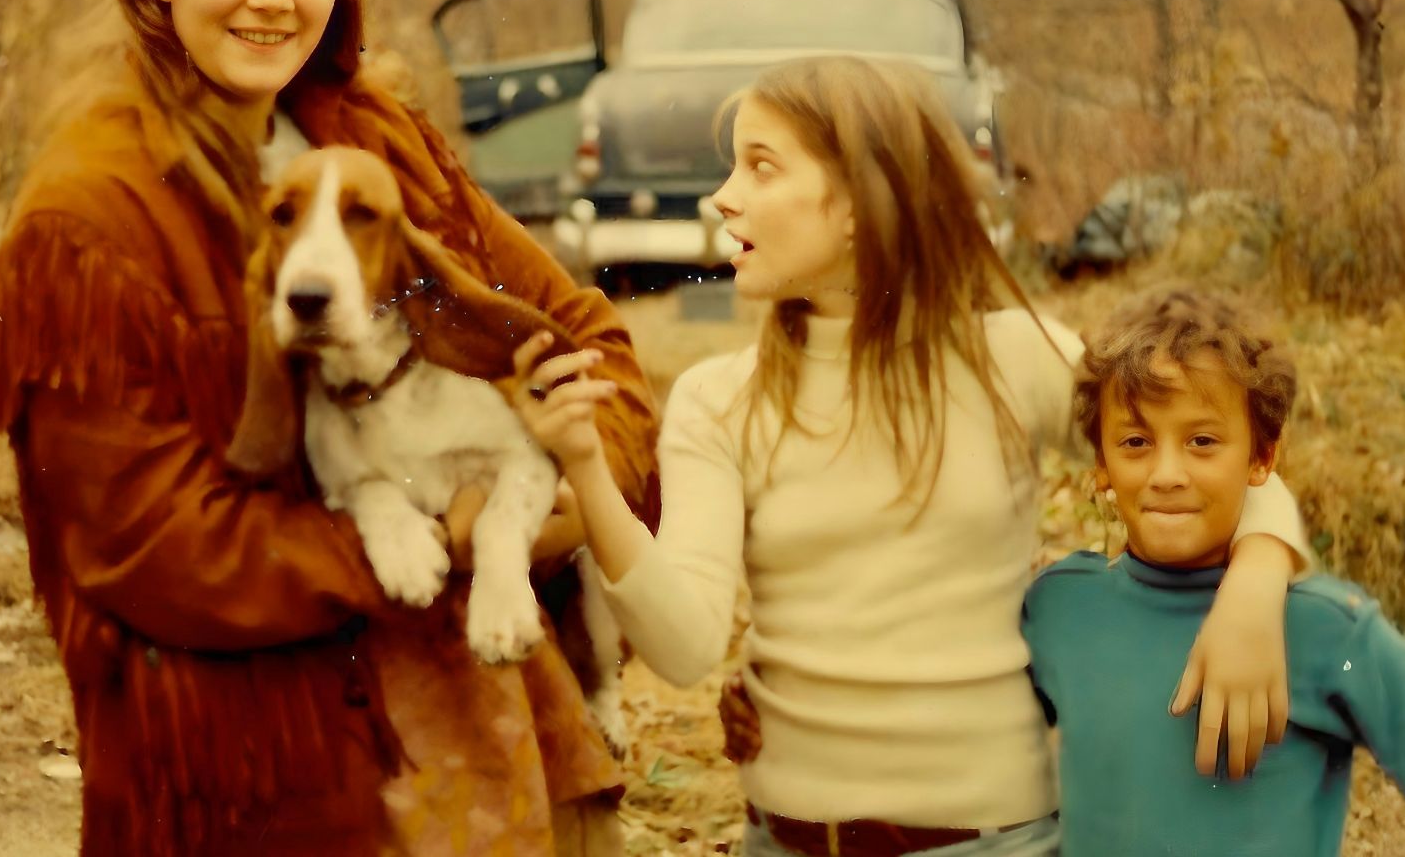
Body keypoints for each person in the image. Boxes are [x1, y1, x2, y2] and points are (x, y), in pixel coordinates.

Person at [0, 0, 657, 856]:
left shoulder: (374, 139)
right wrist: (437, 534)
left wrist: (568, 497)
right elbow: (155, 551)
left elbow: (578, 338)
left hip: (491, 740)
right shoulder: (90, 218)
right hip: (263, 781)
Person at [507, 55, 1310, 856]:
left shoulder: (1012, 361)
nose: (724, 195)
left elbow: (1230, 467)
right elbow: (682, 648)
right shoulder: (719, 401)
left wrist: (1254, 587)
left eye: (760, 165)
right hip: (788, 840)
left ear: (857, 200)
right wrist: (584, 466)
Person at [1022, 289, 1405, 855]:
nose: (1167, 473)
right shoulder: (1059, 610)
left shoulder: (1323, 629)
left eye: (1202, 441)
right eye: (1136, 442)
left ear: (1262, 457)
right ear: (1101, 467)